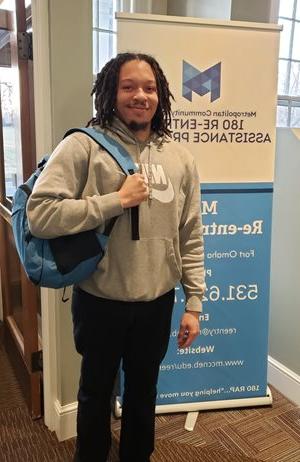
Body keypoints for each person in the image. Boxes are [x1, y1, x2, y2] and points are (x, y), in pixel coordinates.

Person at [27, 52, 205, 462]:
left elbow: (190, 233)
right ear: (111, 92)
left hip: (156, 303)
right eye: (129, 87)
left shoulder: (180, 158)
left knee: (143, 397)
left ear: (160, 96)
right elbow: (40, 214)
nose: (139, 95)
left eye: (149, 87)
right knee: (94, 395)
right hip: (100, 301)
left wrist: (194, 303)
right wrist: (113, 201)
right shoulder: (83, 146)